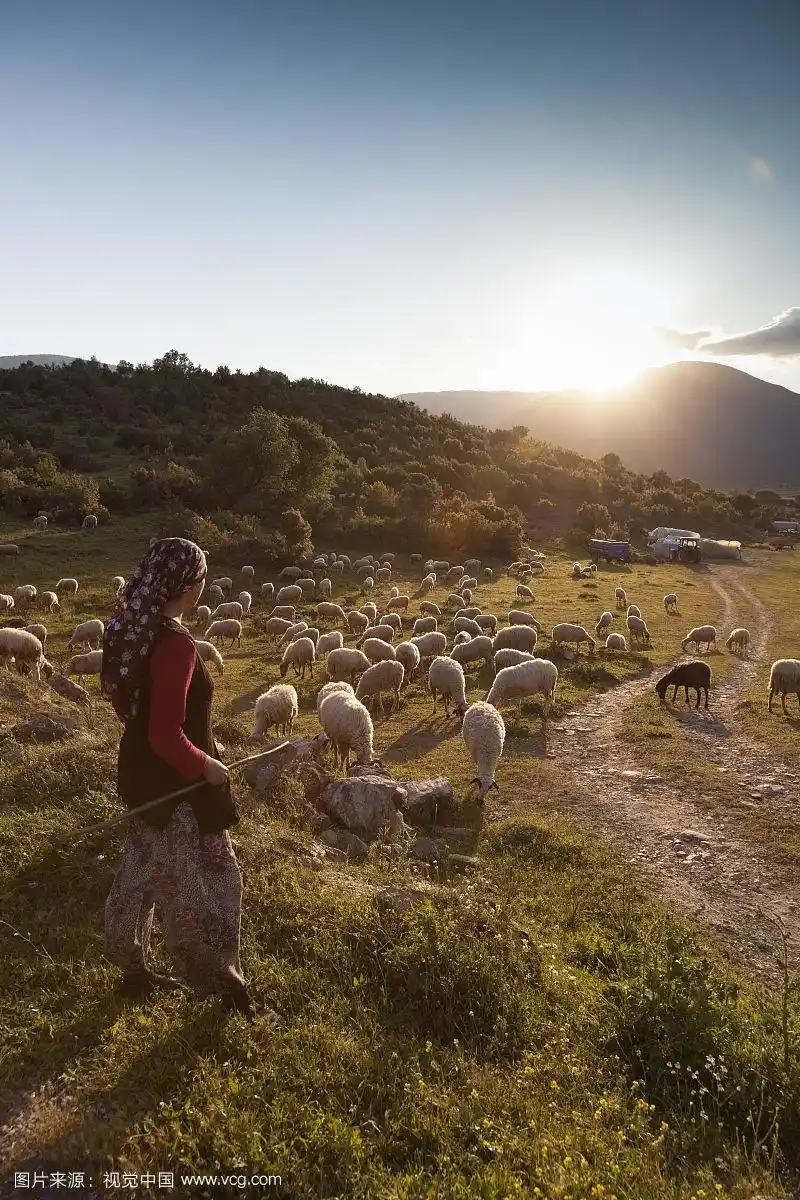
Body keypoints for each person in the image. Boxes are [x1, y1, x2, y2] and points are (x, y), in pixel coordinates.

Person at [101, 537, 257, 1017]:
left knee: (140, 870)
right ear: (189, 586)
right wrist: (206, 765)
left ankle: (130, 966)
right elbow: (166, 734)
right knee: (212, 882)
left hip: (142, 776)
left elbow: (134, 710)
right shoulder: (176, 646)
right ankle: (224, 985)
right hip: (178, 786)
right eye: (202, 575)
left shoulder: (138, 632)